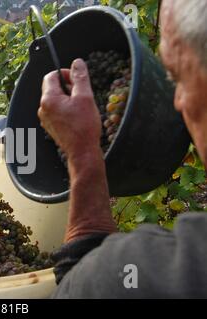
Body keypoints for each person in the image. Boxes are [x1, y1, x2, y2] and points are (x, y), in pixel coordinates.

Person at [38, 0, 207, 298]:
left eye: (178, 77)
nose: (177, 102)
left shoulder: (169, 271)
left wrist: (82, 153)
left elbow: (80, 284)